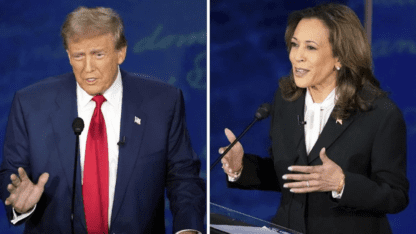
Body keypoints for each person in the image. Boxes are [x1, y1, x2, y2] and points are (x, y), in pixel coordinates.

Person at [0, 6, 205, 234]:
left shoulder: (163, 102)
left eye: (98, 54)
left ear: (121, 53)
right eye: (79, 55)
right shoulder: (30, 104)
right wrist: (19, 204)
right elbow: (11, 173)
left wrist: (188, 230)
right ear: (68, 55)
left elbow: (184, 177)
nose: (88, 68)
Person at [219, 3, 409, 234]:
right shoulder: (287, 100)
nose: (297, 56)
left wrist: (342, 184)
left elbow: (396, 196)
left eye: (310, 47)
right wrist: (241, 167)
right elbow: (289, 176)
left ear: (340, 57)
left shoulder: (380, 113)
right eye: (294, 45)